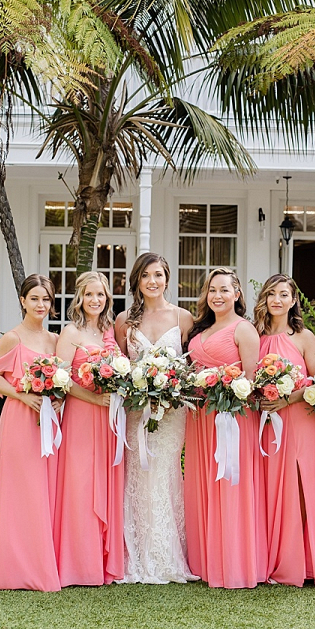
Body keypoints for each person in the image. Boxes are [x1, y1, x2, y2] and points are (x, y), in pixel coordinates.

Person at [114, 252, 197, 583]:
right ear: (137, 280)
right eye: (146, 275)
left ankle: (167, 554)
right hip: (137, 411)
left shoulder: (183, 318)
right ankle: (136, 551)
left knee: (163, 472)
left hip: (172, 412)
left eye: (158, 275)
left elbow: (192, 365)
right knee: (137, 474)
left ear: (167, 278)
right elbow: (119, 365)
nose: (153, 281)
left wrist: (172, 386)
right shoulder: (124, 321)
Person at [184, 267, 266, 589]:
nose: (217, 295)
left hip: (232, 419)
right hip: (201, 420)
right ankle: (206, 560)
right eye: (211, 290)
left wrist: (227, 390)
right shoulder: (199, 331)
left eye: (224, 289)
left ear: (237, 294)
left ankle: (233, 562)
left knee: (230, 486)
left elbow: (251, 380)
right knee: (204, 483)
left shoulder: (243, 330)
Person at [0, 274, 61, 591]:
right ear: (23, 301)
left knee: (44, 490)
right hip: (19, 420)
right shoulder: (12, 338)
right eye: (35, 298)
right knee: (20, 491)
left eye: (46, 299)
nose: (41, 304)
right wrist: (22, 394)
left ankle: (41, 564)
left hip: (48, 421)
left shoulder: (54, 340)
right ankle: (11, 568)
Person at [54, 272, 124, 586]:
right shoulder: (70, 332)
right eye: (89, 294)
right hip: (82, 415)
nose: (95, 300)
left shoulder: (109, 330)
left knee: (106, 482)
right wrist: (93, 399)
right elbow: (62, 379)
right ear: (79, 298)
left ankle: (102, 561)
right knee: (80, 485)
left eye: (101, 295)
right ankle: (78, 564)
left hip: (108, 419)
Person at [255, 274, 315, 587]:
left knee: (299, 485)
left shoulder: (304, 337)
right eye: (271, 294)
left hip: (299, 419)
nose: (277, 300)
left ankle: (299, 561)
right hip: (265, 423)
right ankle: (269, 559)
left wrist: (290, 398)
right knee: (269, 489)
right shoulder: (253, 336)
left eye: (284, 294)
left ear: (294, 299)